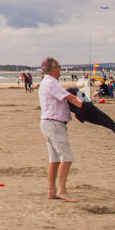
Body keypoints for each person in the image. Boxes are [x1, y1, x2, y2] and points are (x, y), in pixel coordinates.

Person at [38, 57, 83, 201]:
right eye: (59, 67)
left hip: (50, 123)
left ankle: (52, 191)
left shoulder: (48, 82)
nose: (60, 70)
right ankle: (61, 190)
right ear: (53, 68)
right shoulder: (50, 83)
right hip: (54, 124)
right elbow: (69, 97)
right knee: (67, 157)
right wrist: (84, 105)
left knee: (55, 159)